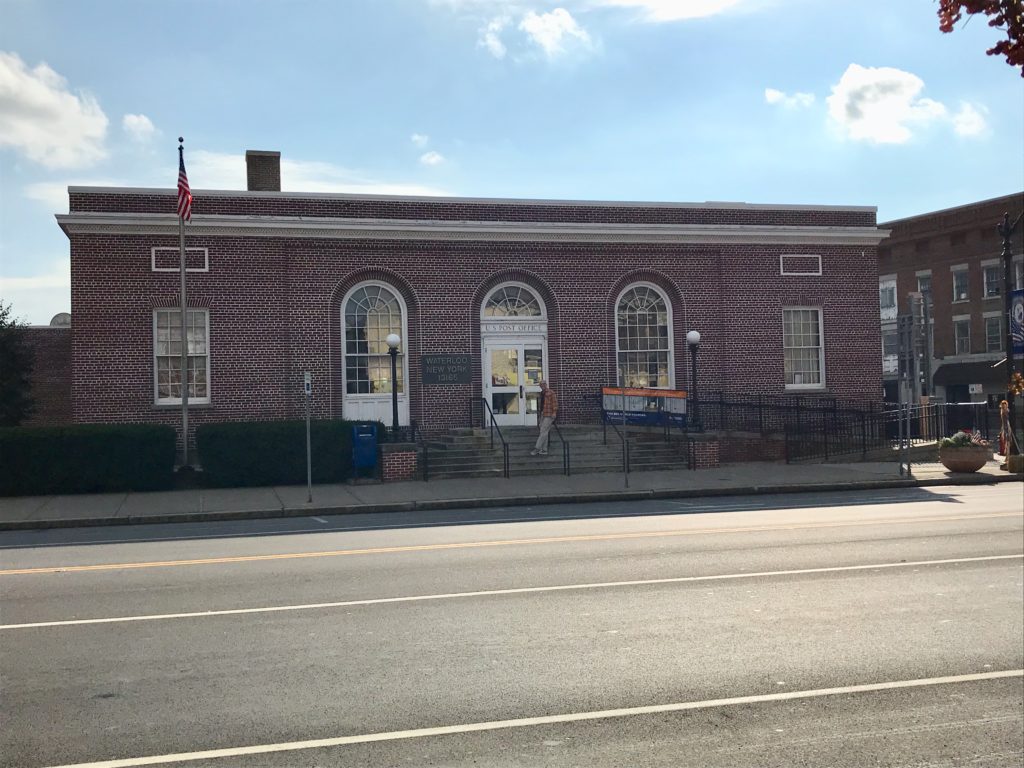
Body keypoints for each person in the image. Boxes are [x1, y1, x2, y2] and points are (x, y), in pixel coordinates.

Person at [531, 380, 558, 456]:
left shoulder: (551, 392)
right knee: (544, 432)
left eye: (543, 384)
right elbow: (542, 405)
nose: (542, 386)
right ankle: (544, 450)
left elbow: (555, 403)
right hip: (543, 414)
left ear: (546, 385)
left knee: (543, 430)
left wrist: (554, 412)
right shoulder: (542, 394)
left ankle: (537, 448)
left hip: (549, 415)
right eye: (541, 385)